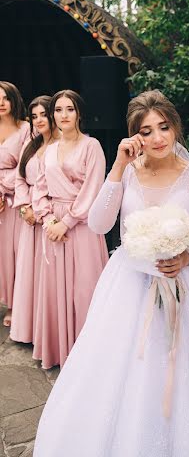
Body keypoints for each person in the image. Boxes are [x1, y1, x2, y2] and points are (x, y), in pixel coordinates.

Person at [33, 90, 189, 457]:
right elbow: (98, 223)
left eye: (164, 127)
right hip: (128, 287)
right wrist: (118, 168)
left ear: (175, 128)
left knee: (185, 370)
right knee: (124, 373)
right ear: (134, 136)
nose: (157, 138)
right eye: (146, 130)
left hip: (181, 288)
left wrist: (187, 257)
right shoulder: (128, 173)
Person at [32, 90, 108, 368]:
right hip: (53, 227)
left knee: (84, 290)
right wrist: (49, 220)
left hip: (83, 226)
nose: (63, 115)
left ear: (79, 113)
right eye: (59, 110)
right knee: (55, 292)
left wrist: (68, 221)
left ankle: (88, 360)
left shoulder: (92, 146)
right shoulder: (49, 150)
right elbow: (39, 189)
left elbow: (93, 189)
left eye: (70, 109)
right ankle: (60, 351)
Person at [11, 96, 61, 344]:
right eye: (34, 116)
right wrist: (23, 208)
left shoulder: (63, 145)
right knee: (27, 273)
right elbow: (20, 178)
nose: (39, 120)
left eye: (44, 114)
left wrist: (41, 213)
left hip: (48, 217)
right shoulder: (31, 144)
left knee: (45, 276)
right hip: (28, 218)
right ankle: (27, 329)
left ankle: (47, 333)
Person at [0, 81, 29, 327]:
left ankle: (16, 305)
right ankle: (6, 301)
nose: (1, 103)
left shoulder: (26, 129)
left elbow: (26, 166)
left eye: (5, 98)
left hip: (16, 201)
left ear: (14, 100)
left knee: (16, 253)